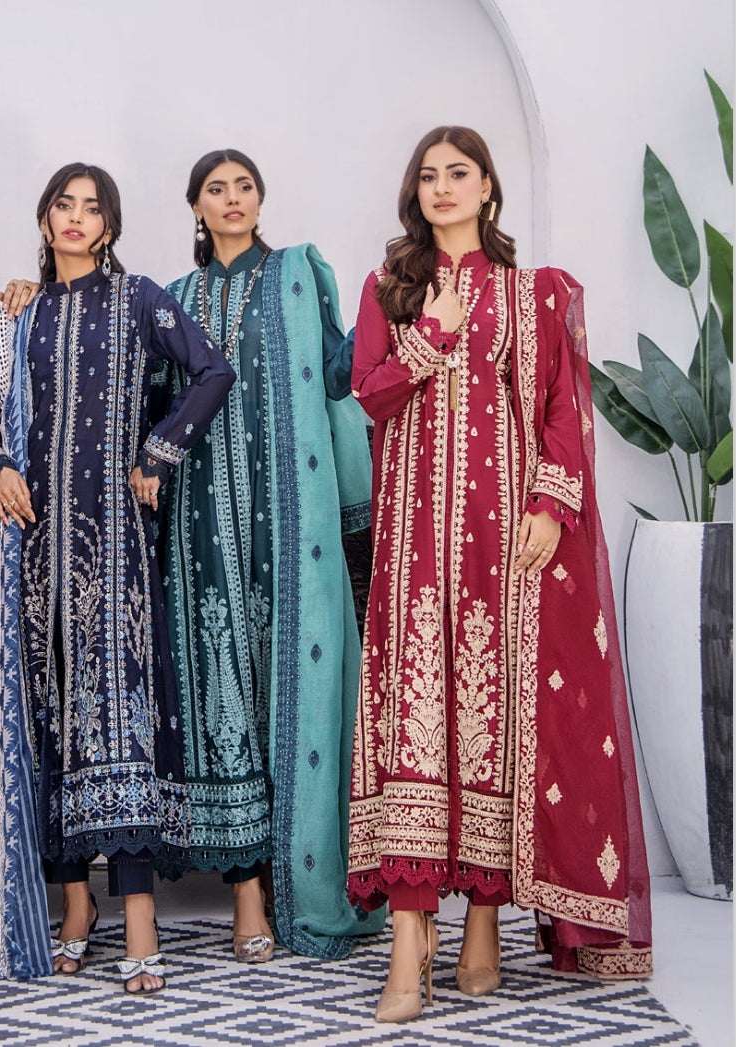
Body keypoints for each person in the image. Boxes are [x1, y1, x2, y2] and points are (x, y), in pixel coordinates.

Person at [346, 126, 653, 1023]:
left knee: (493, 721)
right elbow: (369, 392)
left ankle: (482, 919)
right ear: (414, 192)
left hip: (502, 537)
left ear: (487, 189)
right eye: (428, 175)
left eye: (459, 173)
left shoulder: (534, 293)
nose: (441, 187)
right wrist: (430, 335)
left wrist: (550, 504)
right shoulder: (389, 288)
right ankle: (409, 939)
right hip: (413, 541)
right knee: (413, 722)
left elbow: (561, 405)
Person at [0, 162, 234, 994]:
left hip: (113, 541)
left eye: (91, 208)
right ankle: (75, 908)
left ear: (109, 226)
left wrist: (159, 451)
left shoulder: (137, 298)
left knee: (118, 717)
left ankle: (139, 916)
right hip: (32, 543)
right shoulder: (20, 315)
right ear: (45, 219)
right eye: (63, 205)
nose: (75, 218)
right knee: (48, 715)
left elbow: (212, 369)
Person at [156, 149, 383, 962]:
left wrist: (386, 308)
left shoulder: (295, 274)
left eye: (244, 187)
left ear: (260, 199)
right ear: (195, 206)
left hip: (292, 520)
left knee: (296, 690)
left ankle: (308, 880)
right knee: (223, 690)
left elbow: (336, 372)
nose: (232, 199)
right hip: (199, 524)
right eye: (215, 189)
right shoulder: (173, 298)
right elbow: (156, 401)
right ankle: (245, 891)